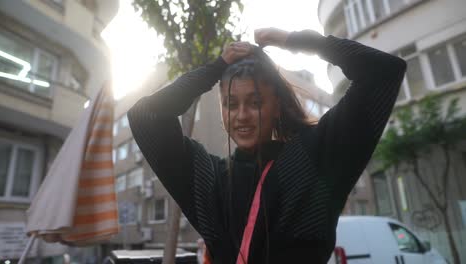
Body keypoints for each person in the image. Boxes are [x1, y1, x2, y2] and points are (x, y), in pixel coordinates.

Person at [128, 28, 406, 264]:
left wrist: (292, 41)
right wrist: (214, 69)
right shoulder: (209, 180)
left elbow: (383, 71)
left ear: (277, 107)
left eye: (256, 102)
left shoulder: (314, 159)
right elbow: (146, 116)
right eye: (230, 104)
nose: (242, 115)